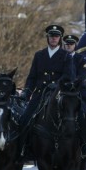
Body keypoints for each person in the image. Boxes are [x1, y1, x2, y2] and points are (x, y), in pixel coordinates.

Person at [19, 24, 74, 154]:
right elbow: (32, 77)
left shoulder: (66, 56)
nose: (54, 38)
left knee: (77, 116)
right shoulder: (39, 55)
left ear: (60, 38)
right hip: (40, 94)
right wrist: (27, 91)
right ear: (47, 38)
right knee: (24, 118)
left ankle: (83, 145)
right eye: (51, 36)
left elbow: (69, 76)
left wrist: (58, 84)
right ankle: (22, 149)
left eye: (56, 36)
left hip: (58, 94)